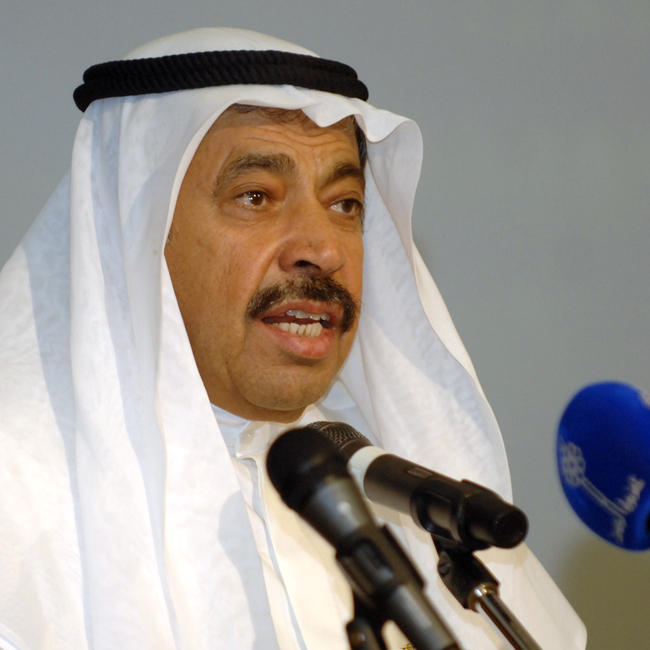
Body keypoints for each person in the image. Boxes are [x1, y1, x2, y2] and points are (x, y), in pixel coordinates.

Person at [0, 27, 586, 649]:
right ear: (134, 233)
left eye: (345, 204)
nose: (323, 249)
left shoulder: (398, 491)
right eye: (255, 197)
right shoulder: (20, 493)